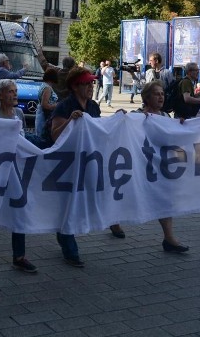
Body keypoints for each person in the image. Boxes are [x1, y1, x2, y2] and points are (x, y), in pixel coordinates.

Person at [50, 66, 124, 264]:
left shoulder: (93, 107)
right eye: (87, 83)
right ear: (75, 86)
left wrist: (117, 120)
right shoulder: (64, 106)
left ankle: (68, 232)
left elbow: (98, 131)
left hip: (85, 161)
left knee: (83, 199)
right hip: (64, 163)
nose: (92, 86)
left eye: (92, 82)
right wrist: (70, 121)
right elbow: (55, 135)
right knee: (68, 202)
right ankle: (69, 245)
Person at [134, 81, 189, 253]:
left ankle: (169, 238)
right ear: (146, 98)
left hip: (160, 168)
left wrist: (179, 127)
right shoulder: (135, 116)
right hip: (138, 167)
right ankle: (115, 220)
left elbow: (172, 141)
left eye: (162, 94)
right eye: (156, 94)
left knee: (165, 199)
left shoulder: (166, 117)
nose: (161, 97)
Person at [0, 79, 38, 273]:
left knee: (19, 211)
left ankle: (19, 256)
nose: (14, 94)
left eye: (15, 90)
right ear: (0, 95)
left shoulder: (19, 113)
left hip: (18, 171)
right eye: (10, 91)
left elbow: (25, 139)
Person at [34, 67, 59, 138]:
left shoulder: (43, 85)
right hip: (45, 116)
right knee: (43, 135)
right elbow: (44, 105)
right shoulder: (47, 88)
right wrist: (56, 105)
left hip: (42, 114)